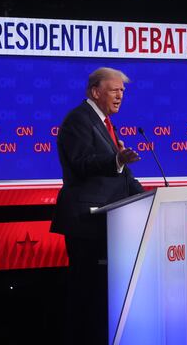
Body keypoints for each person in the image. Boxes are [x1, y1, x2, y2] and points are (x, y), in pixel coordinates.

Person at [49, 67, 145, 344]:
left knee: (101, 298)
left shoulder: (105, 124)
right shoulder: (78, 120)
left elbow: (122, 176)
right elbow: (81, 163)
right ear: (95, 91)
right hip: (86, 224)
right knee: (87, 296)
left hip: (105, 226)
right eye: (115, 90)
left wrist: (151, 198)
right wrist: (116, 160)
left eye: (123, 91)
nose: (120, 96)